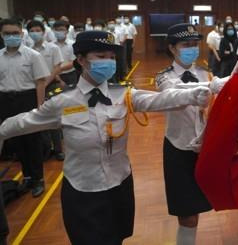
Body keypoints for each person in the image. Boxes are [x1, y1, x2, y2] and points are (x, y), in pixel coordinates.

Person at [0, 30, 211, 244]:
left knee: (117, 238)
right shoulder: (62, 102)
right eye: (100, 57)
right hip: (83, 189)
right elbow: (24, 122)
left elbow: (161, 100)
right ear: (81, 59)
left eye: (111, 57)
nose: (108, 62)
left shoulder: (123, 94)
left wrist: (195, 94)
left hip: (119, 185)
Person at [155, 23, 228, 245]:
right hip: (178, 149)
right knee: (186, 217)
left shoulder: (205, 73)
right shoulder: (163, 77)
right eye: (186, 45)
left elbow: (222, 86)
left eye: (195, 44)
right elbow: (173, 93)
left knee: (197, 213)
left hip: (204, 149)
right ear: (172, 48)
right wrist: (209, 88)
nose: (192, 49)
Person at [0, 18, 50, 197]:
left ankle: (38, 179)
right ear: (2, 35)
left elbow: (40, 83)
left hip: (27, 99)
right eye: (7, 33)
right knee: (16, 142)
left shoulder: (32, 55)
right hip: (6, 100)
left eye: (15, 33)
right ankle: (27, 177)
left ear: (21, 34)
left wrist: (39, 108)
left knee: (32, 141)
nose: (11, 36)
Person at [28, 19, 65, 162]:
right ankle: (45, 148)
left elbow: (57, 67)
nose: (35, 33)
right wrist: (39, 85)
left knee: (53, 116)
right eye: (32, 31)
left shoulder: (52, 48)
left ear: (44, 32)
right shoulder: (27, 48)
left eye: (38, 30)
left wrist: (46, 81)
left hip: (51, 85)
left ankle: (58, 149)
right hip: (34, 87)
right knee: (38, 116)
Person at [53, 20, 78, 86]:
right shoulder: (50, 45)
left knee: (71, 93)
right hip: (54, 76)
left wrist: (57, 70)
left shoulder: (73, 44)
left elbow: (73, 62)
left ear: (67, 31)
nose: (59, 32)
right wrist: (56, 76)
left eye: (61, 30)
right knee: (56, 93)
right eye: (56, 30)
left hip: (69, 75)